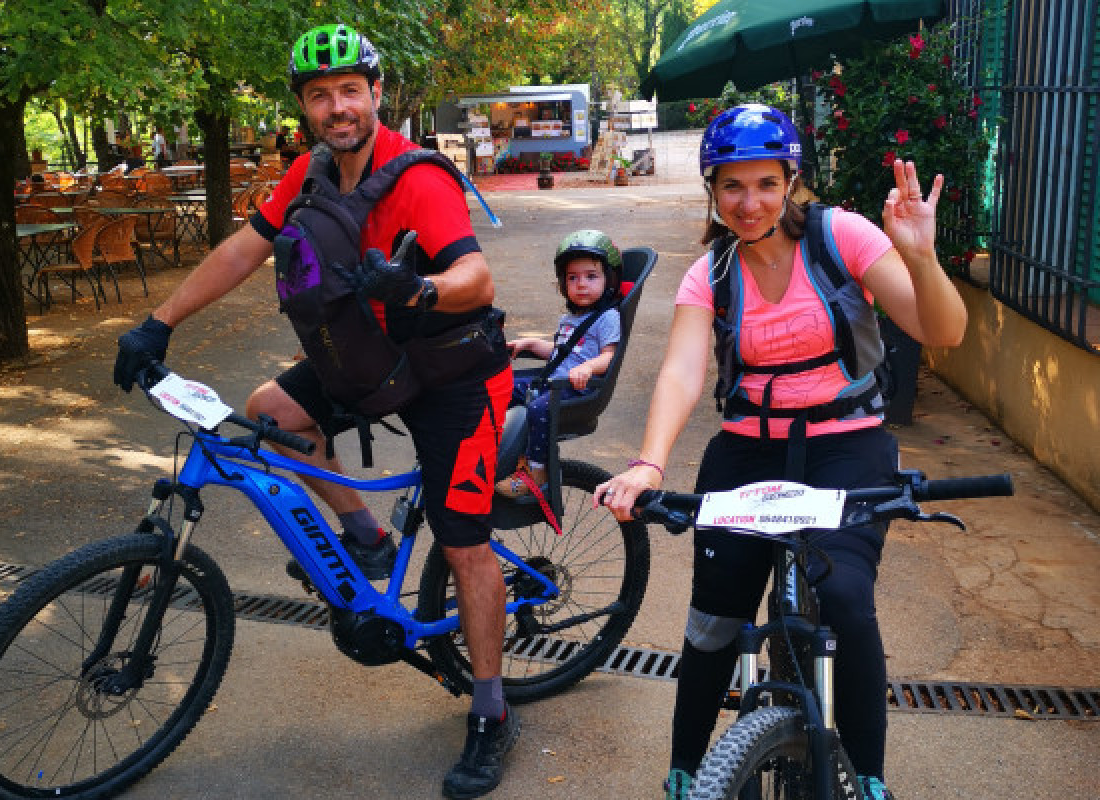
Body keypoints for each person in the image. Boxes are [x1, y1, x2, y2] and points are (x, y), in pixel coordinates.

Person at [112, 23, 519, 800]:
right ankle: (365, 538)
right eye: (320, 95)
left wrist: (420, 289)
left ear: (375, 94)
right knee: (273, 415)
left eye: (349, 92)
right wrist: (161, 321)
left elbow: (477, 278)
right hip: (367, 355)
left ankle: (493, 712)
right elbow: (244, 247)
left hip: (453, 372)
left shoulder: (417, 177)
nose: (337, 108)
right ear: (305, 107)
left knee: (464, 540)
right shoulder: (309, 172)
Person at [595, 104, 967, 800]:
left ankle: (869, 777)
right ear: (711, 189)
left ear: (792, 180)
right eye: (731, 186)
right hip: (747, 450)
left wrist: (919, 254)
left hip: (847, 446)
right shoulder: (710, 271)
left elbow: (941, 330)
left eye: (766, 183)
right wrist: (648, 462)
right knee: (715, 614)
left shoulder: (842, 237)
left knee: (846, 600)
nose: (749, 202)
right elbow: (681, 370)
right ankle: (688, 771)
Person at [496, 229, 622, 497]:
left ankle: (536, 471)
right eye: (572, 278)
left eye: (591, 276)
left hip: (578, 386)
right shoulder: (570, 319)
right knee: (500, 387)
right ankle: (502, 453)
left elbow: (609, 356)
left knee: (538, 409)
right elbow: (562, 353)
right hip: (556, 380)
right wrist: (530, 343)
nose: (581, 284)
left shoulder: (607, 317)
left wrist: (588, 367)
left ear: (609, 281)